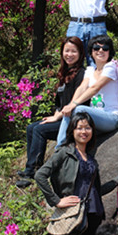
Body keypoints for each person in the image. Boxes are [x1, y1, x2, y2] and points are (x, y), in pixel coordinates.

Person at [16, 36, 85, 188]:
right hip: (62, 117)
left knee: (40, 130)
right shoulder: (64, 73)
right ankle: (31, 167)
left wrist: (56, 117)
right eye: (67, 51)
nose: (69, 54)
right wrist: (55, 115)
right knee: (31, 128)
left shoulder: (81, 74)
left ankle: (32, 172)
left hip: (73, 120)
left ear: (80, 53)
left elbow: (74, 102)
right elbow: (60, 103)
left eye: (74, 51)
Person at [56, 34, 118, 145]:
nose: (100, 51)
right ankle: (61, 147)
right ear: (91, 52)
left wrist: (74, 105)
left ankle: (59, 147)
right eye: (96, 48)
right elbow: (82, 87)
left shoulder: (110, 67)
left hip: (111, 117)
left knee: (79, 109)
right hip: (94, 118)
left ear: (110, 52)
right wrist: (70, 105)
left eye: (105, 48)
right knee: (72, 110)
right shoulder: (90, 70)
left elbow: (95, 88)